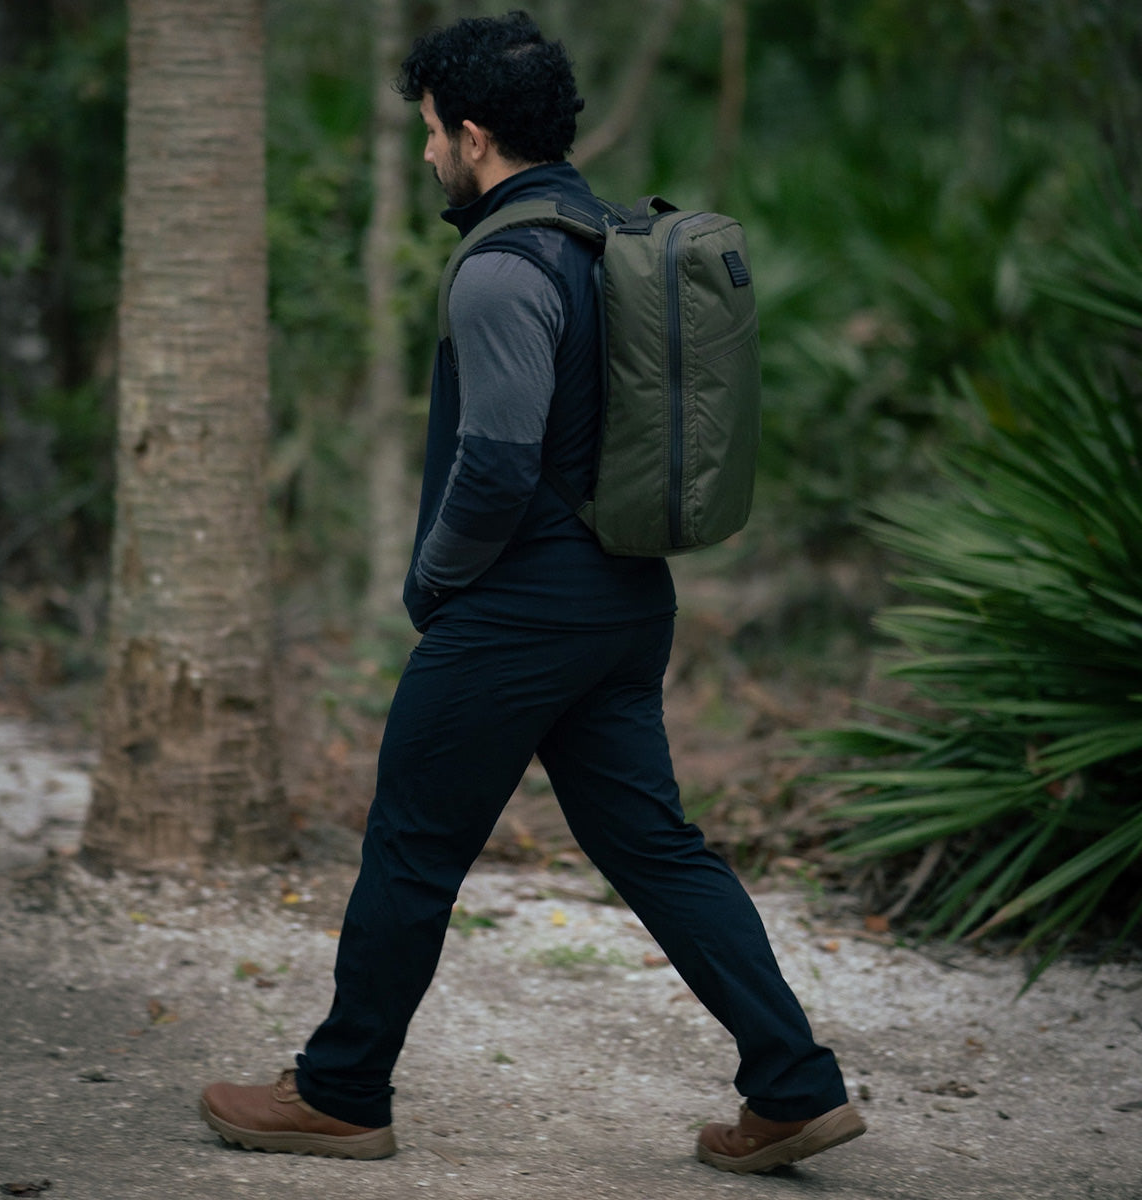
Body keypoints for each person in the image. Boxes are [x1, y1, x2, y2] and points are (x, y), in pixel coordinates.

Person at [199, 10, 866, 1176]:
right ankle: (795, 1086)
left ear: (472, 132)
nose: (423, 156)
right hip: (622, 605)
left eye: (427, 133)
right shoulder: (613, 239)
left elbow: (499, 459)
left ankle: (344, 1092)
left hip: (517, 613)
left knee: (412, 843)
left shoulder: (506, 263)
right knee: (658, 848)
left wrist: (435, 582)